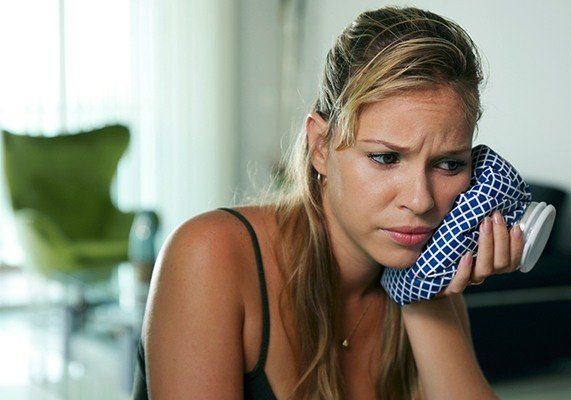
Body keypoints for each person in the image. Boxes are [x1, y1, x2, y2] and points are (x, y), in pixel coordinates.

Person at [132, 5, 525, 399]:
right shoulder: (210, 255)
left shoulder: (429, 279)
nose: (421, 200)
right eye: (385, 158)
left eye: (449, 164)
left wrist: (425, 299)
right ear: (321, 147)